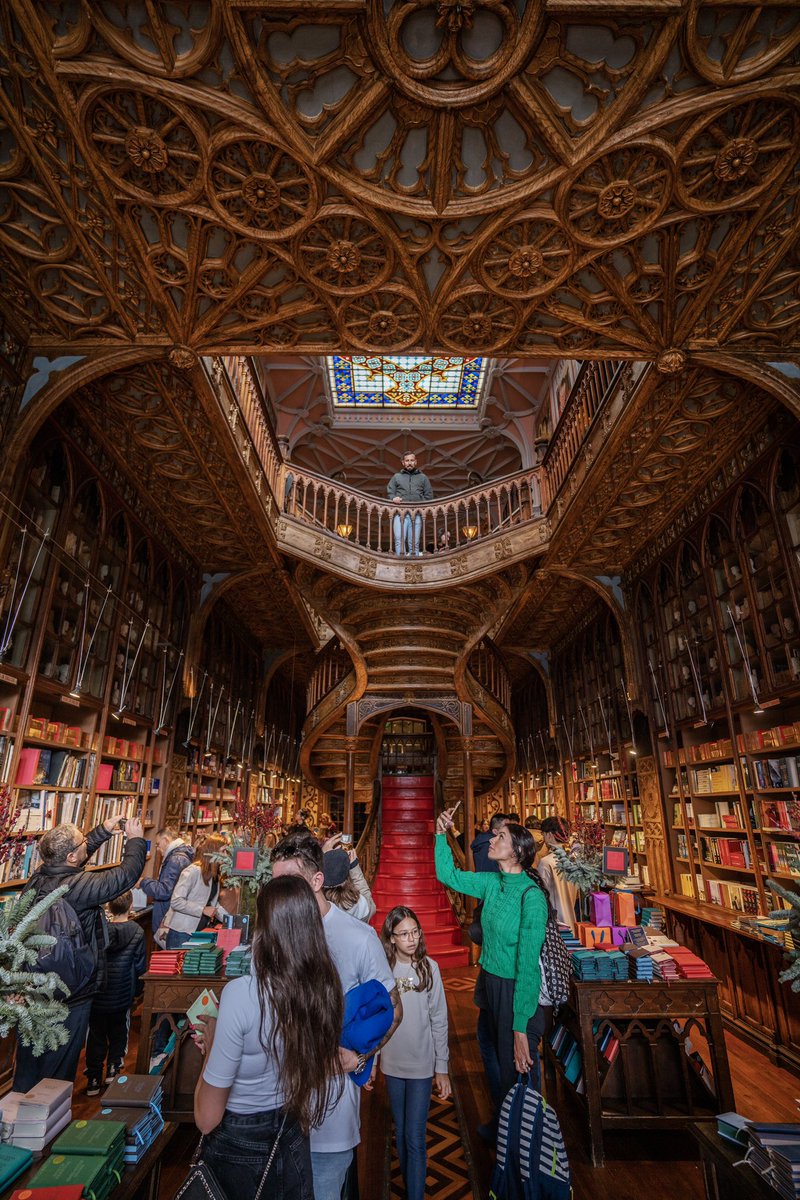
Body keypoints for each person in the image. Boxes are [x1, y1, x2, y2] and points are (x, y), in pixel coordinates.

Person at [193, 874, 345, 1199]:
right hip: (291, 1133)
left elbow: (206, 1119)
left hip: (238, 1140)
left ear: (265, 929)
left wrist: (210, 1044)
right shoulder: (323, 989)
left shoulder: (241, 995)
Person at [271, 830, 402, 1200]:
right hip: (273, 1106)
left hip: (329, 1113)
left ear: (317, 880)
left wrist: (361, 1055)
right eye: (275, 882)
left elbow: (392, 1008)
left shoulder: (358, 937)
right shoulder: (270, 935)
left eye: (289, 882)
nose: (279, 892)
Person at [434, 811, 548, 1141]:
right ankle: (503, 1121)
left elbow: (527, 965)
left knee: (516, 1064)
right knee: (491, 1051)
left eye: (500, 837)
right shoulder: (492, 883)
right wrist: (441, 834)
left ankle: (524, 1144)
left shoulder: (531, 897)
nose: (491, 839)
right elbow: (448, 875)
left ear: (517, 852)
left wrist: (520, 1027)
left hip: (516, 990)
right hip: (489, 981)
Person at [13, 814, 146, 1091]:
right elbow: (124, 876)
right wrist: (135, 841)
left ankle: (17, 1122)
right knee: (59, 1070)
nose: (87, 842)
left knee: (29, 1061)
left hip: (35, 987)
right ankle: (49, 1128)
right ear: (72, 857)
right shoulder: (80, 887)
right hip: (73, 991)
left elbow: (73, 857)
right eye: (83, 842)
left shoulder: (39, 878)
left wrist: (103, 831)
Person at [377, 907, 450, 1200]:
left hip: (421, 1064)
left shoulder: (429, 968)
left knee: (416, 1137)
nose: (411, 939)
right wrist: (372, 1060)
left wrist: (441, 1067)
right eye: (403, 934)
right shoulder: (383, 970)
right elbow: (379, 1019)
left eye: (415, 932)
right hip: (392, 1064)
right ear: (391, 938)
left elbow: (439, 1018)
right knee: (402, 1134)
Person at [85, 889, 147, 1096]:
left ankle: (93, 1077)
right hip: (122, 993)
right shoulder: (137, 932)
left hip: (99, 994)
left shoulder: (99, 932)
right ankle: (113, 1069)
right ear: (130, 906)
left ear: (108, 907)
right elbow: (139, 965)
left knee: (96, 1036)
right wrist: (137, 992)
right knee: (120, 1033)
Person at [158, 833, 228, 949]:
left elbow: (213, 906)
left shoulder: (214, 875)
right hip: (181, 933)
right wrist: (202, 909)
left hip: (199, 934)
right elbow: (176, 901)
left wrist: (231, 920)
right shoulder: (193, 871)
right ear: (213, 851)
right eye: (223, 851)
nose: (226, 856)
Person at [137, 826, 194, 932]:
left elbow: (164, 891)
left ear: (166, 840)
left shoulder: (176, 860)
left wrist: (143, 882)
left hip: (169, 919)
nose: (157, 849)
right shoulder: (180, 856)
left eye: (158, 844)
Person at [537, 816, 579, 933]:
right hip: (572, 920)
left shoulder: (546, 862)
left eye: (543, 834)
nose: (543, 839)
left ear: (549, 835)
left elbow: (541, 895)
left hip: (555, 924)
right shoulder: (574, 859)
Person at [387, 452, 433, 557]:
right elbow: (390, 492)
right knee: (399, 540)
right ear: (403, 463)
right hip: (399, 513)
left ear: (415, 462)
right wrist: (393, 498)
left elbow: (429, 495)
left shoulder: (423, 477)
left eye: (412, 460)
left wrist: (420, 504)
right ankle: (400, 563)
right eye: (407, 461)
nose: (409, 463)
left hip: (416, 514)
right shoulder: (396, 477)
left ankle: (414, 564)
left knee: (414, 542)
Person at [322, 846, 376, 922]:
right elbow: (371, 907)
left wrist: (323, 858)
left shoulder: (317, 903)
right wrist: (354, 867)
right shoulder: (355, 903)